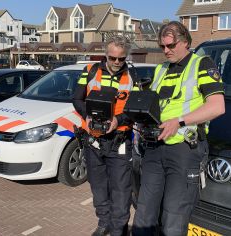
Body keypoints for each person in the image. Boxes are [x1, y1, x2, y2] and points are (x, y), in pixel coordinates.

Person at [132, 21, 225, 236]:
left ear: (185, 42)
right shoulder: (161, 69)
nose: (166, 51)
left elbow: (217, 106)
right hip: (154, 147)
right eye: (162, 46)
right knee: (143, 215)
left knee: (173, 220)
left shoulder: (202, 64)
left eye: (170, 46)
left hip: (184, 151)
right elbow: (156, 106)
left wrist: (180, 121)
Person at [73, 35, 139, 236]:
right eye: (112, 58)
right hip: (93, 140)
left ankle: (118, 229)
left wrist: (118, 120)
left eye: (121, 58)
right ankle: (104, 223)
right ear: (105, 55)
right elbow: (77, 98)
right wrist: (88, 116)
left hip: (119, 141)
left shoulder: (132, 76)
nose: (117, 63)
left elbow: (135, 109)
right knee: (98, 186)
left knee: (121, 189)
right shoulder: (90, 71)